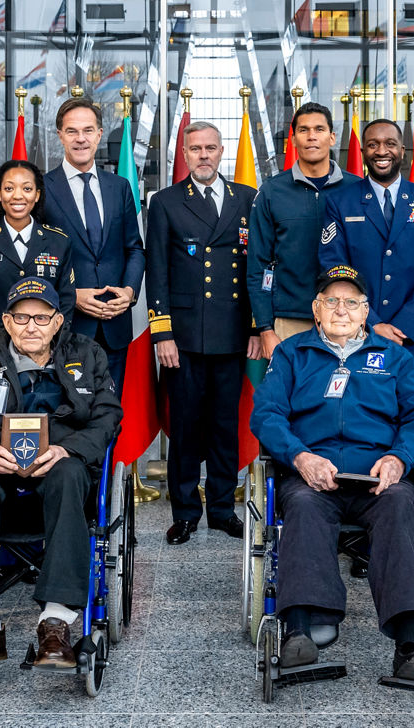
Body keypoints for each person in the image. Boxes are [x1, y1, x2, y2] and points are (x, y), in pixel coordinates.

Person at [250, 265, 414, 680]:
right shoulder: (292, 354)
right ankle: (300, 630)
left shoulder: (394, 357)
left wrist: (399, 458)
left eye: (351, 302)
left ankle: (410, 644)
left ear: (365, 311)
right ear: (316, 309)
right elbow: (266, 414)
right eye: (332, 301)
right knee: (302, 506)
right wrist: (301, 457)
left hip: (378, 478)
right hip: (311, 476)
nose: (342, 310)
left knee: (399, 507)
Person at [0, 277, 121, 667]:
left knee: (71, 473)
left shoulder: (87, 354)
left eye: (41, 318)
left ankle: (55, 622)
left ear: (57, 321)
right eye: (21, 318)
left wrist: (66, 448)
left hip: (61, 475)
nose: (31, 327)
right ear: (7, 321)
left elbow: (107, 419)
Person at [145, 120, 259, 545]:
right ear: (185, 154)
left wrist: (255, 327)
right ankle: (186, 513)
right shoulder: (166, 202)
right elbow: (157, 270)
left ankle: (223, 510)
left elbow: (257, 267)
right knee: (187, 428)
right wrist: (162, 334)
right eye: (196, 149)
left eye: (211, 147)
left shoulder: (247, 198)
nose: (204, 155)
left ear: (221, 151)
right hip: (185, 337)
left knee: (225, 426)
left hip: (232, 333)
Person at [319, 119, 414, 387]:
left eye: (390, 144)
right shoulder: (340, 202)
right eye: (373, 145)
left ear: (402, 151)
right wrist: (371, 323)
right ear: (363, 152)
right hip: (356, 335)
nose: (382, 151)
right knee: (361, 412)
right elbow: (335, 268)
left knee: (413, 411)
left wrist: (404, 325)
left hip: (413, 339)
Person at [42, 97, 145, 391]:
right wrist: (70, 296)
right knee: (67, 411)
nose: (81, 139)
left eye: (88, 130)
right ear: (60, 135)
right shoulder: (42, 189)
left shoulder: (119, 187)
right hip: (65, 326)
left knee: (108, 411)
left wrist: (129, 291)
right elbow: (34, 258)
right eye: (72, 131)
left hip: (114, 325)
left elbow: (134, 248)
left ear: (99, 134)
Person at [247, 102, 360, 359]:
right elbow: (258, 266)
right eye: (303, 130)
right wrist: (265, 328)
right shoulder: (272, 192)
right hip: (290, 321)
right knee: (291, 386)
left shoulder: (357, 190)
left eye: (319, 129)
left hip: (347, 317)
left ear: (332, 137)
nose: (311, 136)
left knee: (346, 385)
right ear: (294, 139)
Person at [0, 159, 73, 342]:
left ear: (37, 195)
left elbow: (66, 300)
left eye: (27, 189)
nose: (18, 196)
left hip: (44, 347)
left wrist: (49, 344)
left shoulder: (59, 241)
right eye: (9, 188)